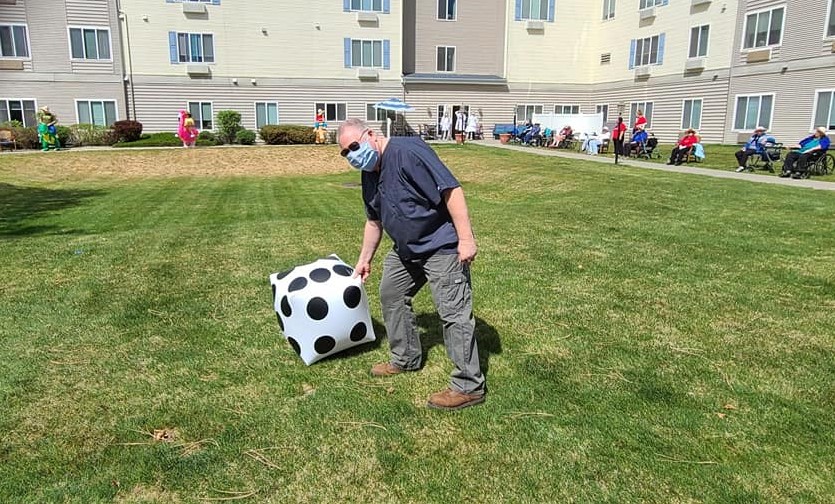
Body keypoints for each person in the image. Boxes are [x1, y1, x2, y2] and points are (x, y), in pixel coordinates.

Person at [336, 118, 486, 411]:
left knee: (453, 312)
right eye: (345, 152)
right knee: (391, 294)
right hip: (407, 250)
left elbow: (451, 191)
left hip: (441, 246)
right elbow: (373, 220)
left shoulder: (408, 151)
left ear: (371, 135)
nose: (352, 155)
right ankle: (405, 358)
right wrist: (364, 260)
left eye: (354, 146)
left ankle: (469, 385)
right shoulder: (370, 171)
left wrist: (466, 239)